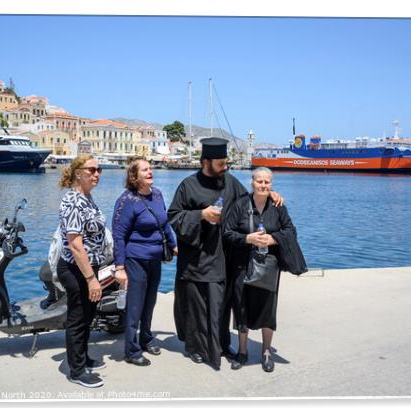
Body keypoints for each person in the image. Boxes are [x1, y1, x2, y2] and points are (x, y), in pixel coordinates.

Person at [167, 137, 283, 369]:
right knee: (197, 306)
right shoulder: (187, 185)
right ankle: (195, 347)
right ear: (206, 162)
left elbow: (247, 202)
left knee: (222, 305)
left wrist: (267, 194)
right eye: (221, 163)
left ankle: (221, 343)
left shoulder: (229, 182)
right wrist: (200, 215)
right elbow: (174, 216)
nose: (225, 167)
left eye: (226, 162)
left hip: (225, 256)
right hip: (197, 259)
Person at [222, 167, 299, 372]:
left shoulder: (278, 206)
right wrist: (247, 238)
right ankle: (243, 351)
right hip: (242, 265)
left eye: (267, 182)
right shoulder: (240, 205)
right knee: (241, 308)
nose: (263, 185)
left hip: (268, 266)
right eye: (259, 181)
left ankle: (266, 351)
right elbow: (227, 233)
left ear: (271, 185)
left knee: (268, 308)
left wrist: (273, 239)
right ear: (252, 183)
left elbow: (291, 230)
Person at [112, 157, 178, 366]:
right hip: (135, 259)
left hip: (155, 258)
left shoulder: (157, 194)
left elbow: (164, 223)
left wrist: (174, 244)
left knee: (150, 302)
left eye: (150, 169)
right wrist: (119, 266)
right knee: (135, 305)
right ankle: (131, 350)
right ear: (134, 176)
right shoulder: (127, 201)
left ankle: (146, 338)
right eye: (145, 170)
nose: (150, 172)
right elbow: (119, 235)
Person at [57, 155, 108, 388]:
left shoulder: (87, 198)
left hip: (89, 267)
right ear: (78, 173)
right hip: (76, 269)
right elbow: (75, 244)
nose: (97, 174)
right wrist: (90, 279)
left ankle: (83, 357)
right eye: (92, 170)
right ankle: (76, 371)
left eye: (99, 170)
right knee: (78, 318)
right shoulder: (73, 201)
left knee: (88, 316)